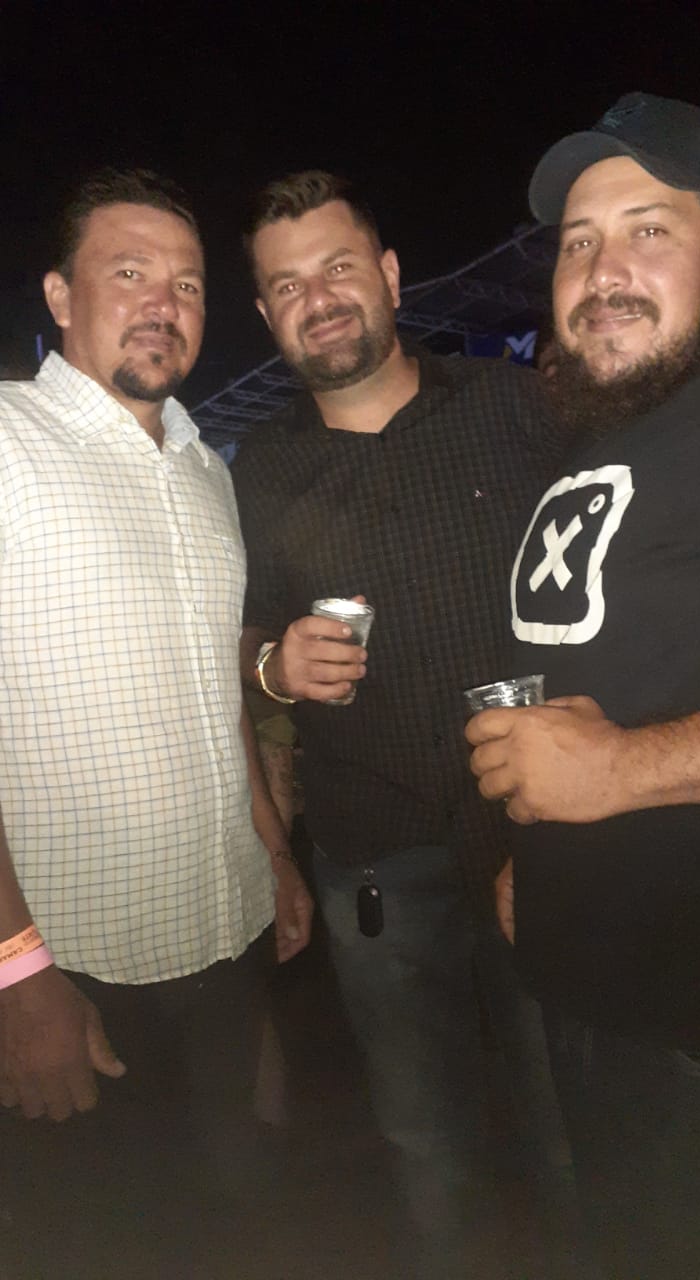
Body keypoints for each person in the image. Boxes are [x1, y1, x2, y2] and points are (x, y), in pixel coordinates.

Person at [233, 170, 565, 1277]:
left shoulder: (515, 408)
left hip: (539, 827)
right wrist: (275, 666)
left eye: (337, 268)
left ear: (385, 274)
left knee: (568, 1116)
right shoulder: (259, 468)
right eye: (288, 286)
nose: (319, 299)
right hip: (374, 861)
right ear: (267, 314)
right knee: (427, 1142)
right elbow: (238, 644)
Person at [0, 167, 312, 1277]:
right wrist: (16, 970)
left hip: (223, 927)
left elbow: (212, 688)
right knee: (107, 1237)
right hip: (78, 963)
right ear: (58, 295)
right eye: (128, 273)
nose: (163, 304)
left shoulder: (202, 469)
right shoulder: (7, 443)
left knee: (232, 1211)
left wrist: (274, 852)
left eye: (185, 283)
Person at [467, 92, 700, 1280]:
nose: (602, 271)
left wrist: (622, 770)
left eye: (649, 229)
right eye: (578, 242)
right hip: (570, 986)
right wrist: (544, 853)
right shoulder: (601, 434)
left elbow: (612, 748)